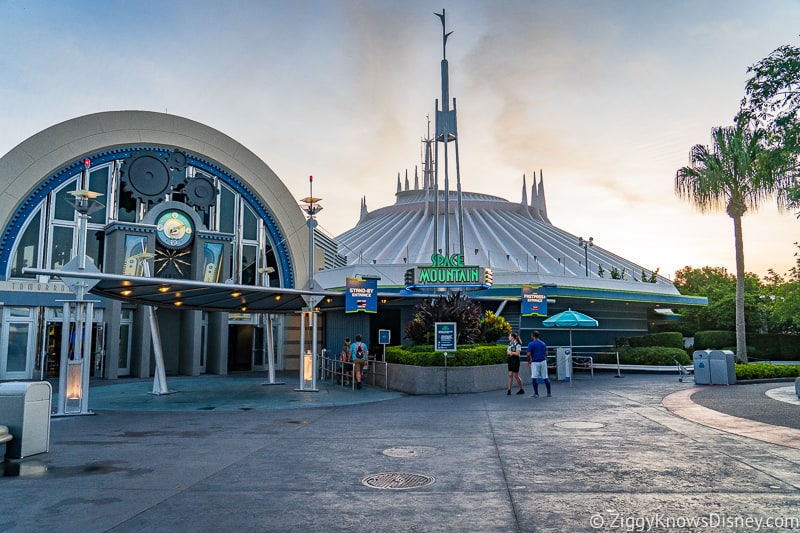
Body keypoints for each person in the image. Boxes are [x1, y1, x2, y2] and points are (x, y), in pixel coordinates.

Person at [527, 330, 551, 398]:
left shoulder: (531, 344)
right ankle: (549, 392)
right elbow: (546, 353)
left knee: (534, 377)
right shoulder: (543, 343)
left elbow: (528, 354)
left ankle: (536, 393)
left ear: (533, 335)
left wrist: (529, 362)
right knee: (545, 377)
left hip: (535, 362)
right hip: (543, 361)